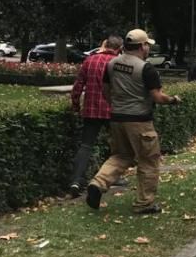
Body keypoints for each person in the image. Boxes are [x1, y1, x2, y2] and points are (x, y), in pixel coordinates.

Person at [85, 29, 181, 214]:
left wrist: (116, 104)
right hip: (140, 121)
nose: (148, 49)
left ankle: (98, 183)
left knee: (120, 155)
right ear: (142, 46)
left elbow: (105, 89)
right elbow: (157, 97)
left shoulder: (112, 64)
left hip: (116, 118)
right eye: (147, 45)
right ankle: (145, 203)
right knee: (148, 161)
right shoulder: (146, 68)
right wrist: (173, 100)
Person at [68, 35, 122, 197]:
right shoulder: (118, 64)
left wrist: (76, 105)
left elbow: (78, 86)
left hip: (91, 110)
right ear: (119, 49)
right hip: (113, 110)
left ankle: (76, 181)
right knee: (117, 146)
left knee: (86, 146)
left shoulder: (89, 61)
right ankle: (111, 177)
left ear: (104, 45)